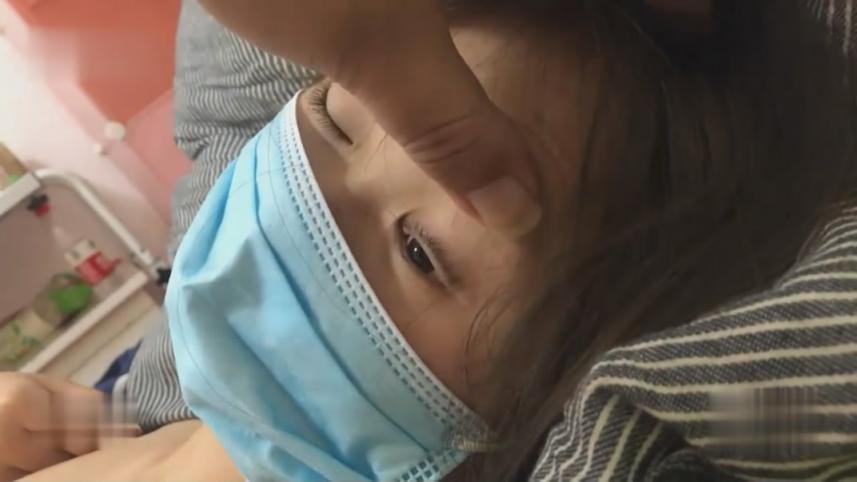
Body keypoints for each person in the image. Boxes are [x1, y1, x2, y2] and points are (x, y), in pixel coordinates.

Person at [2, 0, 857, 481]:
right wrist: (91, 426)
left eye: (421, 252)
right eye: (333, 124)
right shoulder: (182, 400)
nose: (310, 208)